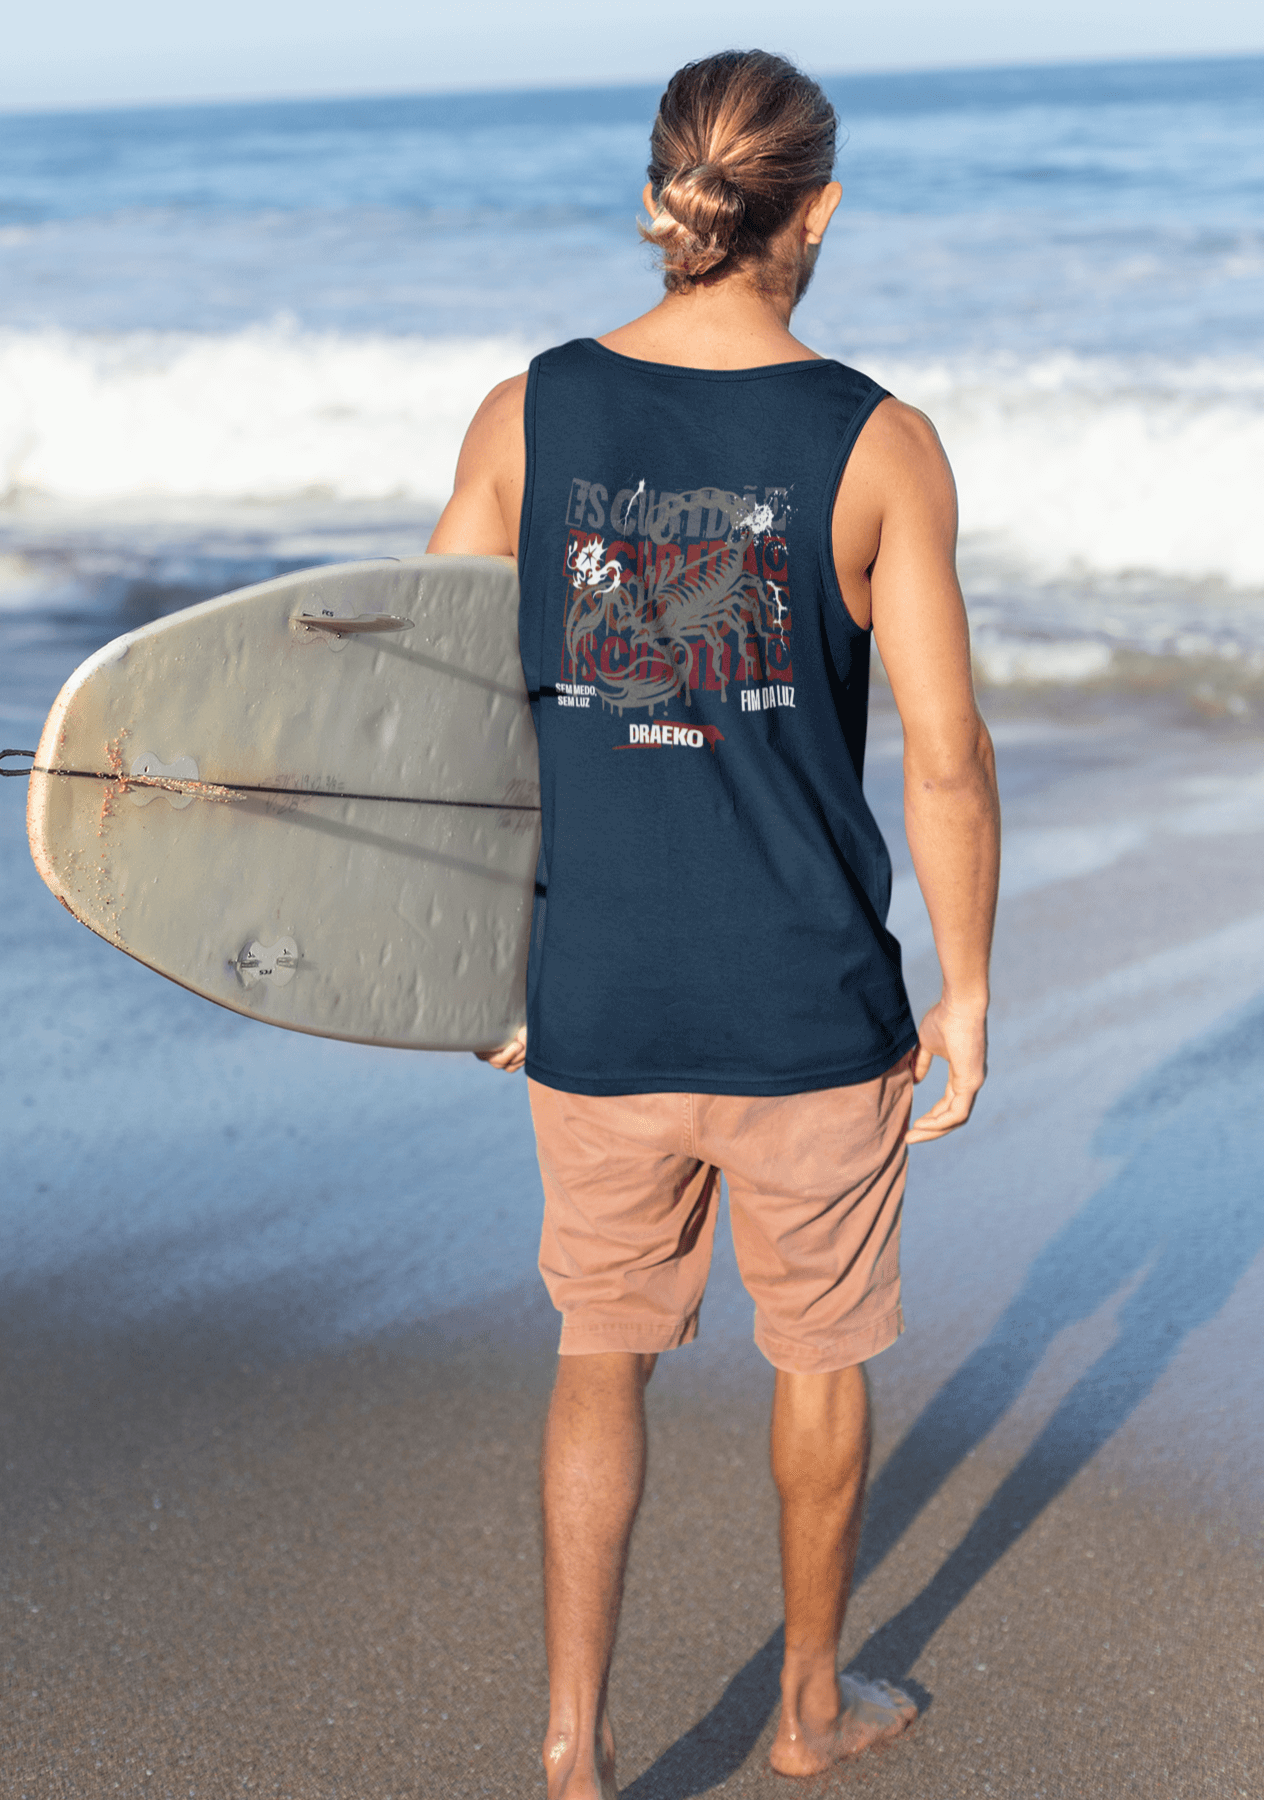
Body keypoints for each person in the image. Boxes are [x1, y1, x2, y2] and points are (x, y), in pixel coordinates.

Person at [427, 49, 1000, 1798]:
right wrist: (964, 998)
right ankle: (809, 1712)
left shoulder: (525, 415)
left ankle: (574, 1745)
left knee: (600, 1351)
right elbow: (949, 760)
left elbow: (433, 714)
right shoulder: (881, 443)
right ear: (815, 213)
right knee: (818, 1354)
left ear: (670, 196)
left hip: (590, 993)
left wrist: (465, 965)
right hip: (808, 1003)